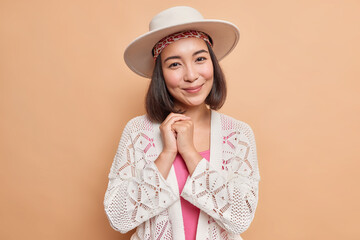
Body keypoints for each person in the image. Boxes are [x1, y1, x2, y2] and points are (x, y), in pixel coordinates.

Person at [104, 6, 260, 240]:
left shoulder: (238, 134)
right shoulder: (138, 132)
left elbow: (240, 218)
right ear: (161, 74)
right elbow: (118, 218)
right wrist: (167, 153)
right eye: (175, 64)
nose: (191, 75)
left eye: (200, 59)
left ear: (213, 64)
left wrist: (189, 152)